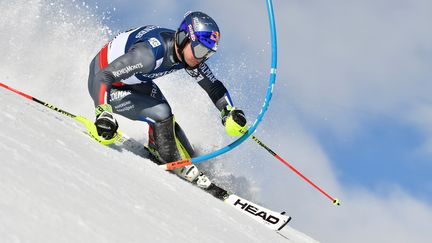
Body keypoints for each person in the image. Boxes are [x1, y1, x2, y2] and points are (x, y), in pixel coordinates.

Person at [87, 11, 247, 186]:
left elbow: (214, 87)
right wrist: (103, 113)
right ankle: (171, 161)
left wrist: (229, 111)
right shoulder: (148, 55)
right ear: (185, 37)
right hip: (104, 85)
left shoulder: (188, 54)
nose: (202, 58)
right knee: (161, 112)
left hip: (133, 80)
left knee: (169, 124)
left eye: (208, 53)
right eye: (201, 50)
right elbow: (103, 77)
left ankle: (173, 155)